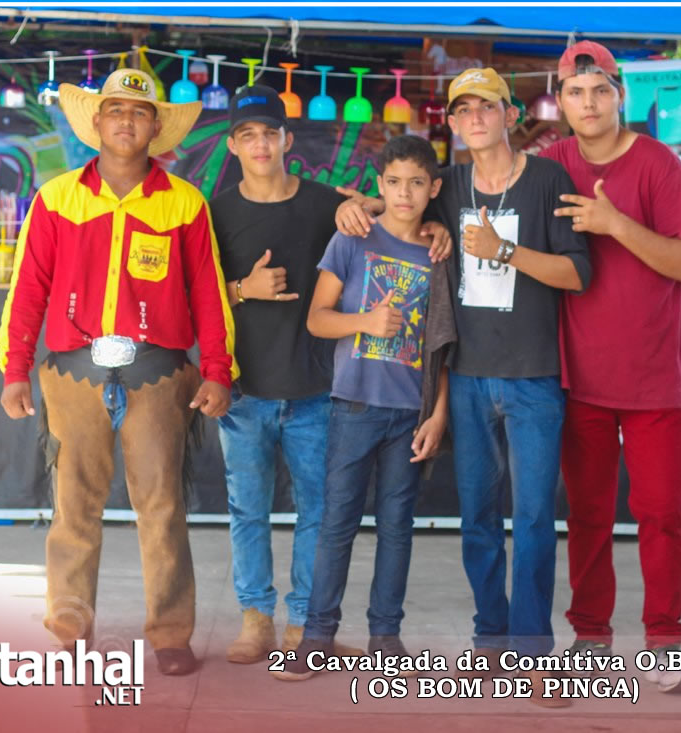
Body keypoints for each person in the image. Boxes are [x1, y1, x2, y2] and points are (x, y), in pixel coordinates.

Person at [336, 67, 590, 705]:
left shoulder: (548, 180)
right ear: (450, 122)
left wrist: (503, 251)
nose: (475, 117)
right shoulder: (446, 184)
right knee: (477, 517)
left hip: (534, 376)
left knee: (533, 518)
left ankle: (532, 651)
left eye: (487, 106)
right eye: (463, 109)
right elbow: (398, 204)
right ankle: (490, 639)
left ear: (510, 114)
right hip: (468, 376)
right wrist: (358, 207)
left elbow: (577, 274)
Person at [0, 68, 235, 676]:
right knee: (74, 507)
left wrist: (217, 369)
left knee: (162, 507)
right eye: (116, 110)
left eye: (140, 112)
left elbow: (209, 294)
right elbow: (28, 289)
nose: (127, 121)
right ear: (97, 122)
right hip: (73, 374)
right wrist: (15, 369)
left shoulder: (184, 202)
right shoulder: (56, 198)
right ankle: (69, 629)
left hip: (159, 374)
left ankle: (171, 635)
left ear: (156, 127)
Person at [541, 40, 681, 693]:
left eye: (599, 91)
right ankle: (591, 637)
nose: (588, 103)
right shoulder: (550, 165)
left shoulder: (660, 166)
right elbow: (482, 200)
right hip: (578, 376)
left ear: (620, 95)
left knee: (662, 514)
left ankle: (666, 642)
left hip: (653, 377)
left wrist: (615, 223)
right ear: (560, 100)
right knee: (587, 516)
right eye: (575, 92)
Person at [273, 135, 449, 681]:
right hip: (354, 407)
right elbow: (317, 318)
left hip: (411, 413)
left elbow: (445, 345)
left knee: (397, 526)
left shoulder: (439, 254)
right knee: (337, 523)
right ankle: (317, 636)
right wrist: (366, 322)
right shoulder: (352, 240)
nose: (404, 193)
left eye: (416, 183)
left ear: (434, 189)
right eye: (394, 182)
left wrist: (438, 413)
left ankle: (385, 638)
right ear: (379, 186)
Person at [211, 84, 370, 662]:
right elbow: (195, 297)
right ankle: (256, 620)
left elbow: (392, 211)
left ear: (287, 139)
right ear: (233, 146)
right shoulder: (216, 213)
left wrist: (369, 205)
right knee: (247, 511)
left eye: (269, 133)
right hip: (244, 392)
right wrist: (242, 289)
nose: (260, 144)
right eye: (247, 135)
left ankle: (304, 623)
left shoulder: (326, 204)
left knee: (319, 514)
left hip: (316, 390)